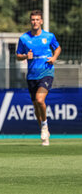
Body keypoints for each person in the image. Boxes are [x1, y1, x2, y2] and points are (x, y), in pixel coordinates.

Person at [16, 10, 61, 146]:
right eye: (33, 20)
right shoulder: (24, 38)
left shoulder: (49, 36)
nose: (35, 22)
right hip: (32, 75)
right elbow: (18, 56)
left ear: (41, 21)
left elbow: (58, 48)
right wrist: (25, 56)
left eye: (37, 19)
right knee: (36, 104)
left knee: (40, 99)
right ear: (30, 21)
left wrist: (54, 58)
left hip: (46, 72)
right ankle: (44, 130)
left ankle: (45, 125)